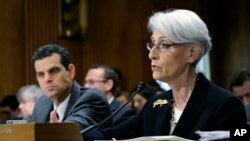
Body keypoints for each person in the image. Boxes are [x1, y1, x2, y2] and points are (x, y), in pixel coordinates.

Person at [83, 8, 246, 140]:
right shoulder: (156, 104)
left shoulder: (224, 105)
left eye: (164, 45)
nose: (152, 54)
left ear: (192, 53)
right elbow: (110, 134)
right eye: (152, 44)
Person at [27, 44, 112, 131]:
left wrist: (56, 131)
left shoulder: (92, 99)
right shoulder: (42, 103)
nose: (47, 79)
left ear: (71, 71)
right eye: (41, 74)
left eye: (54, 71)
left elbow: (73, 129)